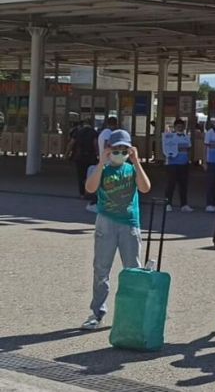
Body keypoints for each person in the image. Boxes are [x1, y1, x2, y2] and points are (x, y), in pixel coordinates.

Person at [80, 130, 151, 330]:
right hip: (106, 222)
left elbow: (145, 188)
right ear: (108, 149)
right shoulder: (101, 169)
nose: (120, 153)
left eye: (124, 149)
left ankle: (134, 313)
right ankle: (97, 312)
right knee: (101, 269)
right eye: (116, 149)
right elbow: (90, 188)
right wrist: (101, 162)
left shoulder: (131, 168)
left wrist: (137, 162)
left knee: (133, 270)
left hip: (130, 223)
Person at [68, 118, 99, 212]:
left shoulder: (77, 132)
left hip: (79, 157)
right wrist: (98, 153)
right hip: (91, 156)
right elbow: (95, 144)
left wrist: (67, 153)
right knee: (90, 174)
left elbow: (71, 143)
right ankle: (90, 192)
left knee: (80, 175)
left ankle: (82, 193)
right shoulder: (94, 132)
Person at [164, 118, 192, 212]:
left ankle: (184, 204)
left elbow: (189, 149)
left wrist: (188, 160)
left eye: (181, 127)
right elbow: (165, 148)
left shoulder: (186, 137)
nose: (180, 128)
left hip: (183, 164)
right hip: (172, 164)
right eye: (178, 127)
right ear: (175, 127)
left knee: (183, 185)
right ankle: (168, 203)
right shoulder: (170, 137)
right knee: (170, 185)